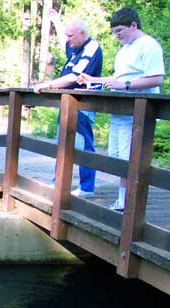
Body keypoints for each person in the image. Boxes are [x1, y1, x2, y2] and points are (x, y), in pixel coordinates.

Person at [77, 7, 165, 211]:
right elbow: (119, 79)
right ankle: (122, 200)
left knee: (130, 157)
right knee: (117, 157)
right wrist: (93, 80)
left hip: (138, 111)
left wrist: (125, 86)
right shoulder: (124, 49)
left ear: (134, 25)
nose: (117, 36)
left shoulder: (149, 46)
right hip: (120, 110)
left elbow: (156, 78)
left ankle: (129, 203)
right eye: (114, 32)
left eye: (120, 31)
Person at [33, 17, 103, 198]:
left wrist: (48, 84)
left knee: (83, 144)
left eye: (71, 36)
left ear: (83, 33)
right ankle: (59, 183)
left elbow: (75, 75)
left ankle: (87, 187)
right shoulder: (73, 48)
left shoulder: (92, 48)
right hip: (67, 102)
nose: (68, 39)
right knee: (62, 143)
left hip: (83, 104)